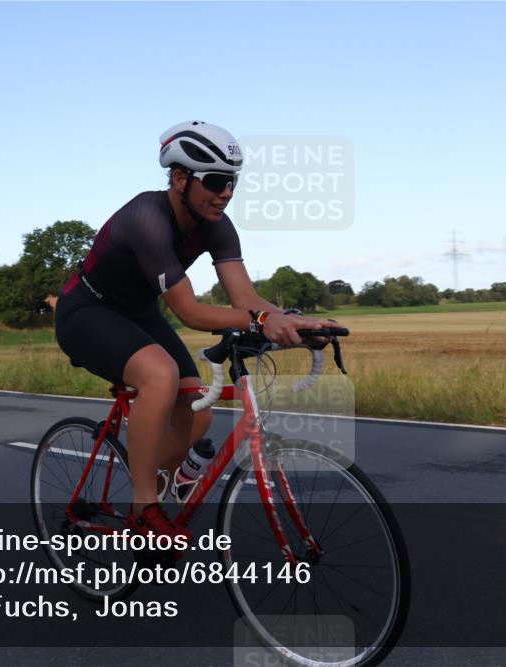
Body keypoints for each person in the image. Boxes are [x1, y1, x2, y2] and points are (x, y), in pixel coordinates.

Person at [55, 121, 340, 543]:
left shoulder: (218, 225)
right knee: (160, 375)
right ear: (179, 178)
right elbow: (188, 311)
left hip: (137, 314)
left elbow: (247, 299)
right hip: (86, 312)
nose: (227, 192)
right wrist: (260, 322)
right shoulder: (146, 217)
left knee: (198, 413)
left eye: (233, 182)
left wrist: (296, 322)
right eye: (218, 181)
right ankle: (144, 509)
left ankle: (152, 475)